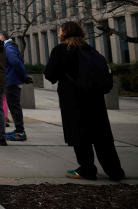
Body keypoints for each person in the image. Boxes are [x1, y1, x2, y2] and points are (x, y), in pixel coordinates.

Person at [45, 21, 125, 181]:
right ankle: (115, 171)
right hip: (95, 98)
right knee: (102, 135)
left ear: (64, 33)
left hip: (73, 98)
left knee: (79, 133)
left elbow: (50, 75)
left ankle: (87, 169)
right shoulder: (91, 50)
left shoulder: (61, 50)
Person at [0, 31, 31, 141]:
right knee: (14, 106)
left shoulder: (8, 49)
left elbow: (17, 63)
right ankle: (19, 130)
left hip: (12, 82)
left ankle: (20, 132)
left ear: (2, 38)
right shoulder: (9, 47)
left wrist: (24, 77)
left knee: (14, 107)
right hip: (12, 81)